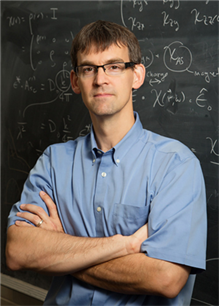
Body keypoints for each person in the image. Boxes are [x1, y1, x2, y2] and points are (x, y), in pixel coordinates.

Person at [6, 20, 207, 306]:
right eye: (88, 68)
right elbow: (18, 252)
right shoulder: (53, 162)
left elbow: (165, 277)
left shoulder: (176, 165)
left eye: (114, 66)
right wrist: (125, 245)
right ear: (76, 81)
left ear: (136, 75)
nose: (100, 79)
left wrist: (62, 247)